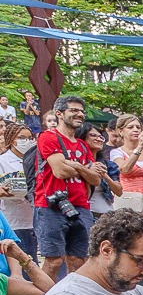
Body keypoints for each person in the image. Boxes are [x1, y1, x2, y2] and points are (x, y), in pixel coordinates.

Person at [34, 95, 101, 278]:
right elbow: (59, 171)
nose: (79, 114)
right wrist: (83, 168)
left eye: (81, 111)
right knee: (54, 260)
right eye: (73, 110)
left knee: (79, 260)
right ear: (59, 113)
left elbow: (96, 180)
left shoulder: (82, 145)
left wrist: (74, 165)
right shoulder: (48, 136)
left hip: (81, 206)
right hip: (51, 206)